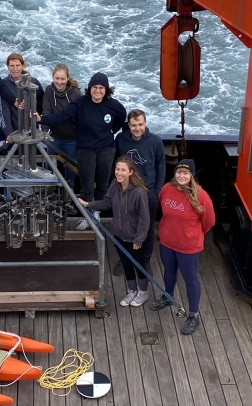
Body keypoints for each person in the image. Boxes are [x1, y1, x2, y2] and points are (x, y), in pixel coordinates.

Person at [33, 72, 126, 230]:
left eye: (101, 88)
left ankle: (97, 212)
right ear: (89, 89)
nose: (97, 91)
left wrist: (113, 130)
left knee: (103, 184)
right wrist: (42, 119)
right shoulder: (80, 104)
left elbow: (121, 117)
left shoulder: (113, 105)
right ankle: (87, 215)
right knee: (86, 185)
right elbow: (61, 117)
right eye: (94, 87)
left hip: (106, 149)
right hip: (86, 149)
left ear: (106, 90)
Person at [151, 159, 215, 336]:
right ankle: (168, 296)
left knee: (190, 279)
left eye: (185, 173)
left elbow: (209, 222)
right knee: (169, 271)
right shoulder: (166, 189)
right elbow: (162, 210)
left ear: (192, 175)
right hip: (167, 242)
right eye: (179, 172)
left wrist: (193, 234)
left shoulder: (201, 196)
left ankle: (193, 314)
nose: (181, 175)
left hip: (188, 247)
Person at [79, 156, 150, 306]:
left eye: (123, 170)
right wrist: (87, 204)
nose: (119, 173)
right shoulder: (114, 185)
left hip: (134, 238)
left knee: (139, 265)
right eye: (117, 169)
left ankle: (143, 293)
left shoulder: (139, 193)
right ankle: (132, 291)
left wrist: (139, 240)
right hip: (119, 235)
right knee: (126, 264)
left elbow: (144, 219)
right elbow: (106, 203)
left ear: (130, 172)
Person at [113, 109, 165, 276]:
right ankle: (124, 258)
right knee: (123, 227)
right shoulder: (120, 139)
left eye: (140, 124)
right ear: (128, 125)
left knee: (147, 229)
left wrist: (156, 191)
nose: (137, 128)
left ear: (145, 123)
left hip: (148, 192)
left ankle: (145, 261)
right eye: (134, 125)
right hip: (125, 190)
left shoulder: (156, 141)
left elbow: (161, 166)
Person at [42, 64, 82, 185]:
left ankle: (68, 195)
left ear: (68, 79)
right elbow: (46, 112)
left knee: (70, 169)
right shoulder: (49, 91)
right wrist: (44, 132)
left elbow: (81, 117)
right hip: (54, 137)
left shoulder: (76, 94)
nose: (59, 82)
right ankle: (48, 192)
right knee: (48, 166)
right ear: (53, 78)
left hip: (71, 139)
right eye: (57, 79)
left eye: (62, 79)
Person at [0, 52, 44, 141]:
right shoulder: (3, 85)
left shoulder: (34, 82)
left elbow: (41, 103)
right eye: (12, 66)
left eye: (17, 65)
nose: (15, 69)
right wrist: (8, 133)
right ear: (7, 66)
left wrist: (35, 121)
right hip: (11, 130)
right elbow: (3, 111)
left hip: (31, 129)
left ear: (22, 66)